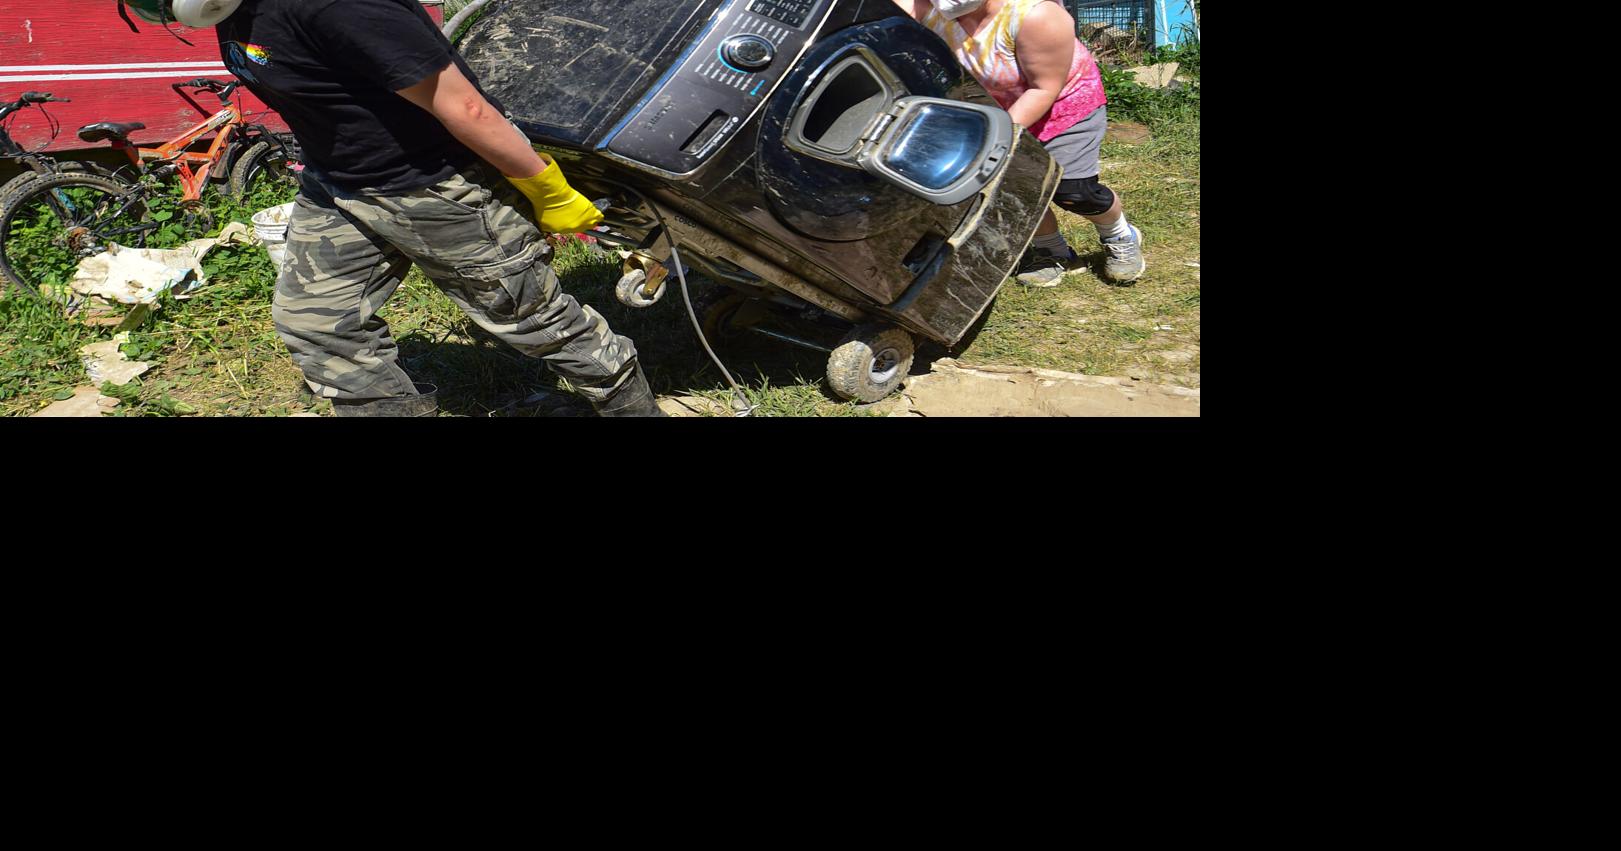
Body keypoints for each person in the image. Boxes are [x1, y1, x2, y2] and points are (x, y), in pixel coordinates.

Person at [119, 0, 663, 416]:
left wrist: (546, 188)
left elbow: (465, 105)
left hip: (434, 189)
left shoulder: (341, 6)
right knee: (316, 323)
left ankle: (631, 409)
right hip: (338, 186)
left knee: (533, 321)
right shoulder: (239, 8)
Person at [893, 0, 1145, 286]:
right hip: (996, 110)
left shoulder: (1036, 15)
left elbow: (1044, 89)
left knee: (1074, 191)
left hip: (1063, 109)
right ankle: (1051, 251)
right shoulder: (927, 8)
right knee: (1011, 189)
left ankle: (1119, 235)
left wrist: (995, 140)